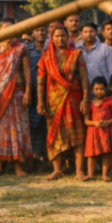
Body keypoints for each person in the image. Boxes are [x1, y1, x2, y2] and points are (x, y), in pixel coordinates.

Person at [37, 23, 90, 181]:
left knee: (77, 134)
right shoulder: (46, 57)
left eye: (63, 36)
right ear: (52, 38)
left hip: (73, 98)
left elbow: (84, 78)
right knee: (55, 134)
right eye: (57, 36)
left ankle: (79, 171)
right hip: (53, 101)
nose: (60, 39)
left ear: (68, 38)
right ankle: (57, 170)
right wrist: (40, 101)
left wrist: (86, 98)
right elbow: (40, 81)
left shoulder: (76, 54)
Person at [0, 18, 32, 176]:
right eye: (5, 29)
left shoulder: (22, 48)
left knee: (17, 128)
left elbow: (26, 71)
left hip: (17, 93)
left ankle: (18, 166)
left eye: (12, 29)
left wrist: (28, 91)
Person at [84, 76, 112, 182]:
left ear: (106, 89)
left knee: (106, 153)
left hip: (106, 132)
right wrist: (94, 123)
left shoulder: (110, 101)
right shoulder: (89, 103)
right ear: (92, 90)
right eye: (96, 89)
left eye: (102, 89)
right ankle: (90, 174)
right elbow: (86, 120)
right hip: (93, 132)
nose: (99, 91)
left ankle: (104, 175)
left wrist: (108, 122)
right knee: (91, 154)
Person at [27, 26, 48, 166]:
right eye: (37, 30)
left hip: (51, 92)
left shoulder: (53, 48)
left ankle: (47, 159)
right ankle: (34, 157)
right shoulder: (27, 50)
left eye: (43, 30)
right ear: (32, 33)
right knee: (33, 125)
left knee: (48, 126)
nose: (40, 33)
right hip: (32, 93)